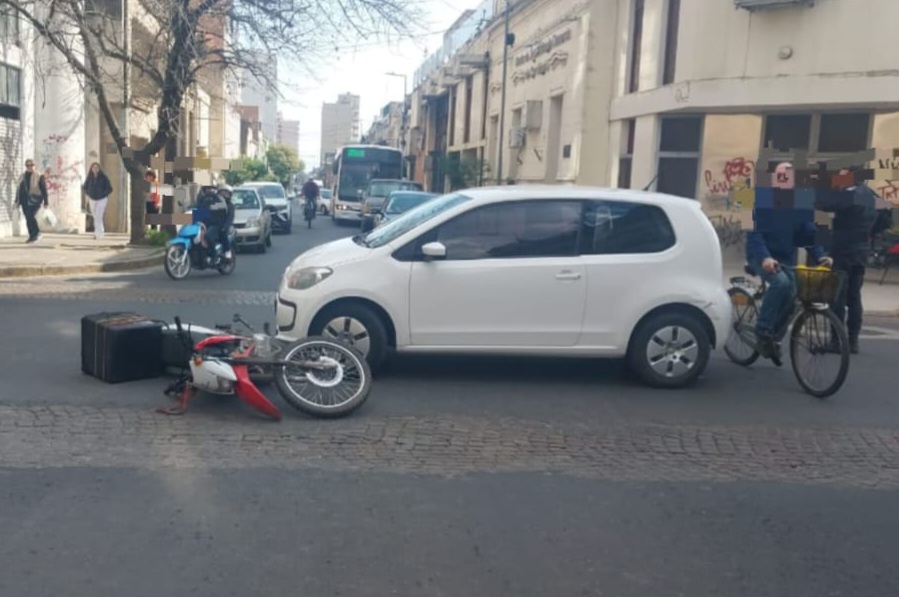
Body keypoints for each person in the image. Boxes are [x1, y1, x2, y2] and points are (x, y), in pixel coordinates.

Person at [745, 162, 832, 364]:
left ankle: (773, 337)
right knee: (781, 283)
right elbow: (754, 234)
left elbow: (808, 233)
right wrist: (765, 257)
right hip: (760, 255)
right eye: (782, 176)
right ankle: (762, 328)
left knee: (794, 294)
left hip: (784, 258)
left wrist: (820, 255)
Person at [814, 167, 880, 354]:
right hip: (861, 251)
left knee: (839, 297)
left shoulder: (849, 196)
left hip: (843, 252)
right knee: (854, 297)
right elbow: (886, 217)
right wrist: (869, 234)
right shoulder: (869, 194)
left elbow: (822, 203)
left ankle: (836, 341)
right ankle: (852, 341)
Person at [15, 159, 49, 244]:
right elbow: (18, 189)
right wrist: (17, 201)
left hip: (35, 200)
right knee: (27, 217)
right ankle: (31, 235)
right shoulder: (22, 176)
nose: (29, 167)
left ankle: (37, 233)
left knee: (31, 215)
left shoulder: (39, 175)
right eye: (28, 165)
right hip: (24, 200)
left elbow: (44, 189)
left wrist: (46, 202)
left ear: (35, 166)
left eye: (31, 165)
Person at [82, 162, 113, 239]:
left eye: (96, 168)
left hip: (102, 199)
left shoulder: (103, 178)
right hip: (92, 199)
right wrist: (88, 193)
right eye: (93, 168)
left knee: (99, 215)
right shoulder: (89, 177)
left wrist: (103, 193)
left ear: (99, 169)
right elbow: (85, 187)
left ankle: (97, 233)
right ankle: (101, 230)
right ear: (91, 169)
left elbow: (110, 188)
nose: (95, 169)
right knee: (95, 216)